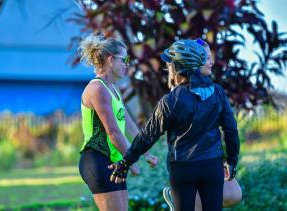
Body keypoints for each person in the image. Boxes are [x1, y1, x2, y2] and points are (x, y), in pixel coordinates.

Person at [109, 39, 240, 211]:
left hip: (182, 167)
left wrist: (125, 163)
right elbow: (231, 131)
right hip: (211, 165)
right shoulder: (218, 93)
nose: (169, 67)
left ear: (179, 66)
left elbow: (147, 136)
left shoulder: (170, 101)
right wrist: (232, 160)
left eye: (171, 63)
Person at [78, 33, 159, 211]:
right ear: (110, 60)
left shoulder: (113, 89)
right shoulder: (97, 88)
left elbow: (129, 125)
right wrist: (132, 160)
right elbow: (113, 132)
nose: (127, 64)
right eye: (125, 59)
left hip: (114, 161)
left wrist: (145, 153)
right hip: (97, 160)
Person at [161, 47, 242, 211]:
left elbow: (229, 129)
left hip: (210, 157)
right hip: (188, 162)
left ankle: (180, 199)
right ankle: (180, 200)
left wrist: (228, 158)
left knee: (234, 195)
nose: (212, 62)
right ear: (194, 63)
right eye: (207, 58)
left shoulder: (213, 90)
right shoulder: (178, 94)